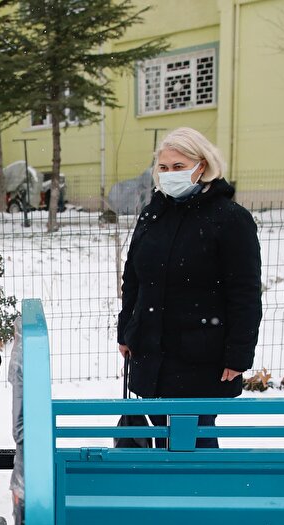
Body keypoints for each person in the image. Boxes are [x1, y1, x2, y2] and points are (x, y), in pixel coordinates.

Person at [116, 127, 263, 448]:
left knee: (193, 441)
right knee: (158, 435)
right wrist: (126, 331)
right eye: (164, 168)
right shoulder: (153, 213)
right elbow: (134, 279)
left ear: (203, 166)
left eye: (179, 167)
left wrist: (238, 354)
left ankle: (203, 495)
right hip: (151, 350)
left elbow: (245, 293)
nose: (169, 175)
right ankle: (163, 494)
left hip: (201, 355)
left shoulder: (230, 219)